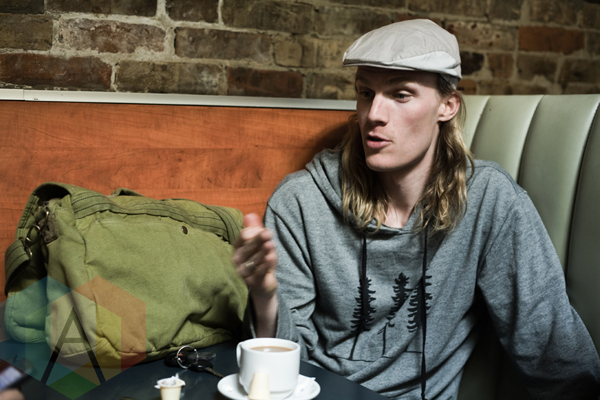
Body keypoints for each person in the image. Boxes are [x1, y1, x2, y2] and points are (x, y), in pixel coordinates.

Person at [232, 19, 600, 399]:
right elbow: (281, 371)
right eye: (365, 93)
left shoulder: (489, 202)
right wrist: (264, 295)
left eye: (401, 94)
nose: (374, 113)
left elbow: (554, 353)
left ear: (447, 106)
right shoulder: (301, 200)